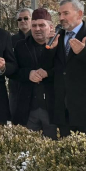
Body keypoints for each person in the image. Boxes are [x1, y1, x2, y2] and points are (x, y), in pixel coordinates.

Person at [43, 0, 86, 137]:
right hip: (64, 112)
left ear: (79, 14)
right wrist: (50, 49)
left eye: (66, 13)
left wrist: (84, 52)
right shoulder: (58, 36)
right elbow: (48, 67)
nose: (61, 18)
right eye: (59, 14)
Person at [10, 9, 57, 139]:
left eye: (41, 25)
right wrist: (28, 74)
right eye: (34, 25)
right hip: (28, 109)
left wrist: (48, 73)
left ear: (50, 27)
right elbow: (13, 71)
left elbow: (65, 70)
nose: (37, 29)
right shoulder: (21, 46)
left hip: (53, 109)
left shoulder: (59, 45)